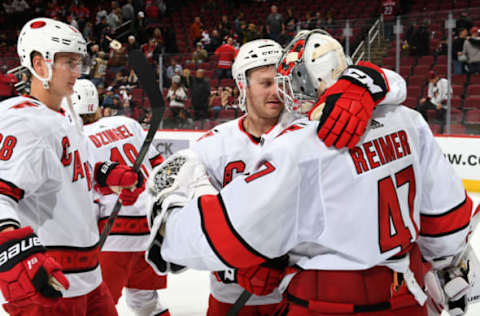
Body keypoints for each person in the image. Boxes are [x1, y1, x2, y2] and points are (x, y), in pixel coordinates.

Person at [146, 30, 476, 316]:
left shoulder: (302, 144)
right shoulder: (406, 120)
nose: (282, 91)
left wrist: (171, 224)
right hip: (404, 293)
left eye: (289, 80)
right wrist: (450, 261)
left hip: (325, 301)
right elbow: (447, 219)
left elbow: (226, 234)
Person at [0, 17, 144, 316]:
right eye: (69, 62)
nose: (77, 72)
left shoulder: (65, 116)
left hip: (90, 277)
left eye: (79, 63)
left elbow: (78, 171)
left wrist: (109, 176)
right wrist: (13, 250)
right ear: (40, 66)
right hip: (50, 282)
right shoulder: (22, 120)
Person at [71, 79, 170, 316]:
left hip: (114, 233)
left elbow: (81, 193)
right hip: (151, 228)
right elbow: (158, 166)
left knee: (96, 305)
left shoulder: (76, 139)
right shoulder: (128, 123)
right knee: (145, 300)